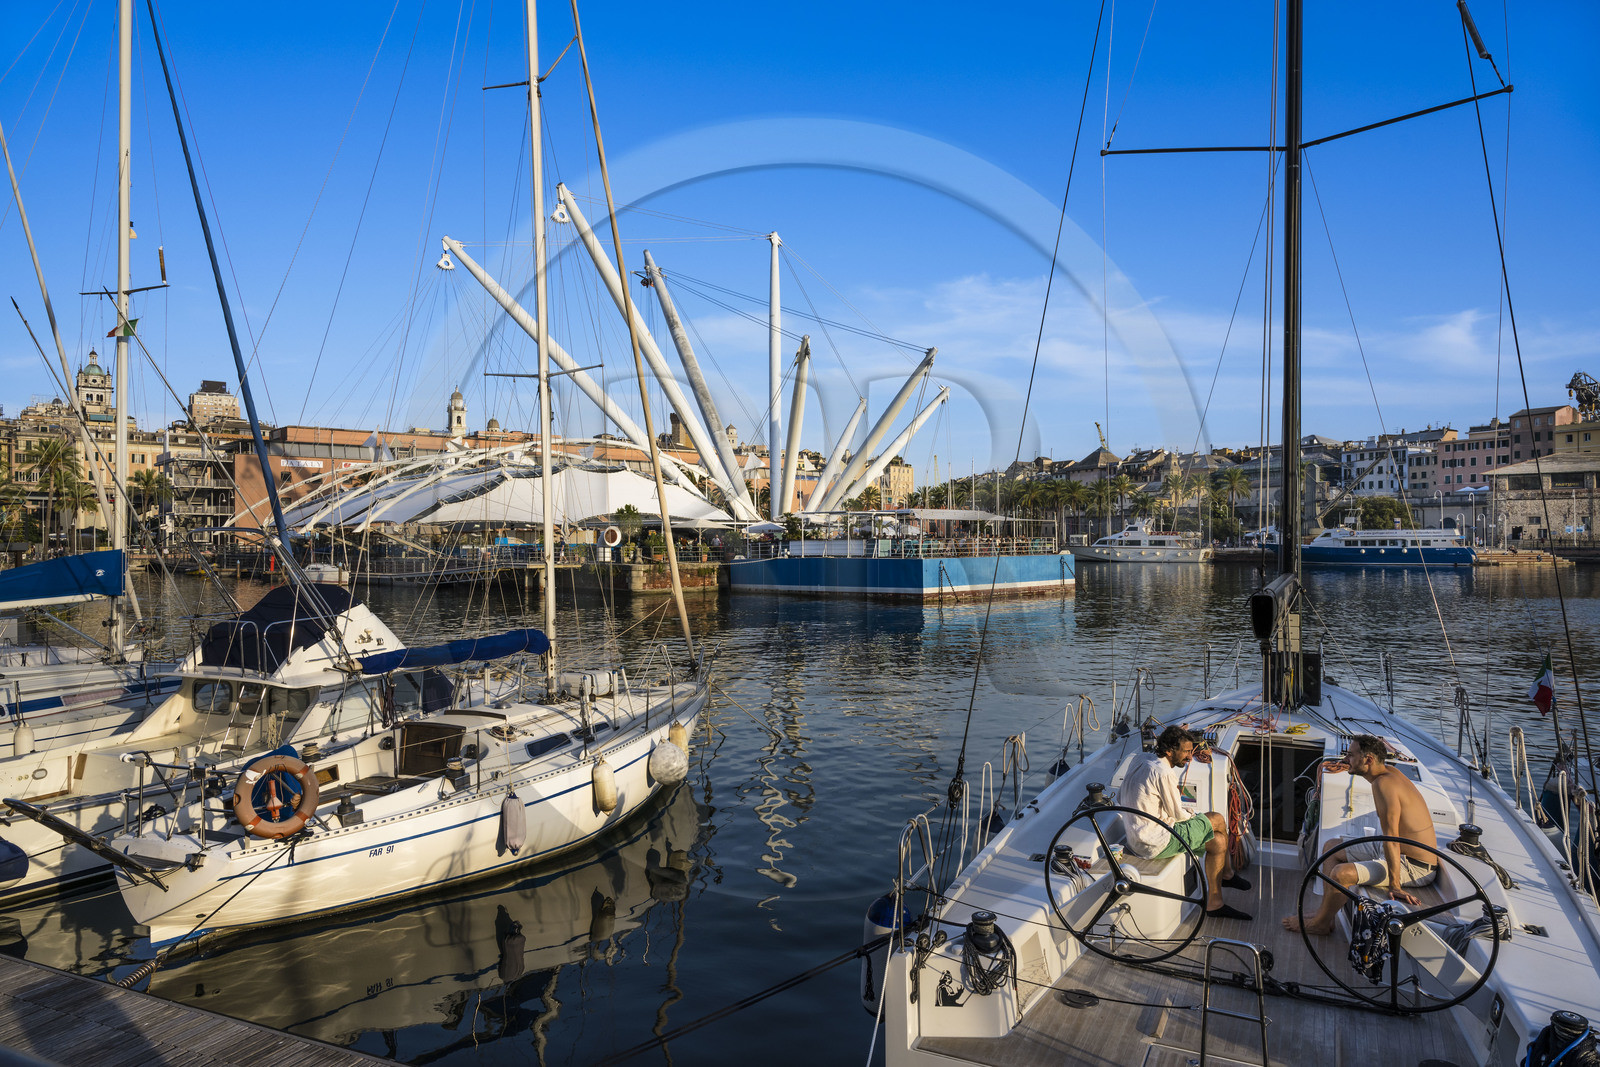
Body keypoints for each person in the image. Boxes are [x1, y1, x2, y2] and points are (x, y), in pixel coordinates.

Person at [1282, 734, 1438, 935]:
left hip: (1415, 866)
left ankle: (1320, 924)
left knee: (1341, 874)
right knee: (1331, 848)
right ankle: (1325, 916)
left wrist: (1395, 885)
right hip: (1394, 850)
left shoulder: (1385, 785)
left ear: (1369, 760)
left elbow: (1392, 839)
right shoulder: (1385, 775)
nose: (1346, 760)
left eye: (1351, 755)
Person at [1122, 725, 1252, 920]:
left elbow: (1119, 799)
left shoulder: (1140, 759)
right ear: (1168, 751)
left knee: (1218, 841)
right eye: (1186, 752)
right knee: (1217, 819)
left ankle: (1215, 902)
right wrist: (1198, 815)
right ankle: (1227, 875)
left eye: (1191, 751)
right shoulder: (1163, 772)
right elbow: (1179, 815)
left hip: (1136, 837)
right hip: (1155, 842)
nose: (1190, 757)